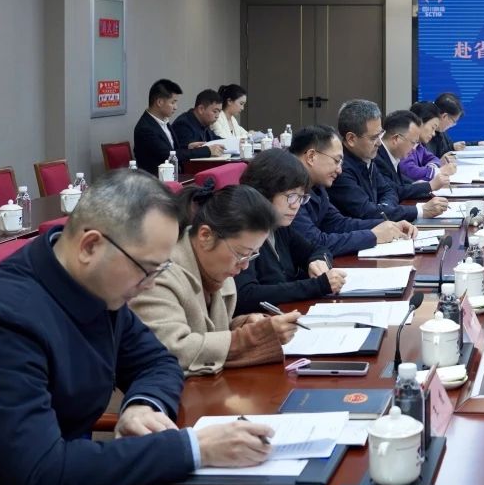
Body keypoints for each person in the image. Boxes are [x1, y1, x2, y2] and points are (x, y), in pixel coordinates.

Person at [0, 170, 275, 485]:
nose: (150, 284)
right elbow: (39, 472)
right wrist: (195, 449)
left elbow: (156, 361)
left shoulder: (95, 284)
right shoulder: (0, 320)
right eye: (147, 269)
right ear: (90, 245)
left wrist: (141, 404)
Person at [130, 181, 299, 376]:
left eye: (252, 255)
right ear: (205, 236)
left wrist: (244, 324)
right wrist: (253, 337)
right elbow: (173, 349)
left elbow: (210, 330)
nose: (245, 265)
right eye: (242, 254)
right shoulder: (158, 274)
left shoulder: (218, 267)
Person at [234, 149, 347, 314]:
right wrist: (316, 285)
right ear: (264, 193)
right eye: (291, 196)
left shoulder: (280, 227)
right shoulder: (242, 231)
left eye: (301, 197)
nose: (296, 205)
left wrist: (317, 261)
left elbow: (318, 249)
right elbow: (245, 295)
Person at [288, 125, 413, 256]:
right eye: (336, 161)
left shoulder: (316, 185)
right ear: (311, 156)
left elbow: (338, 223)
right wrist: (372, 236)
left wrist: (388, 225)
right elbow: (314, 242)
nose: (339, 170)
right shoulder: (287, 188)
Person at [330, 99, 449, 223]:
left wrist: (384, 207)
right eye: (374, 137)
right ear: (351, 139)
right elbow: (367, 212)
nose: (379, 142)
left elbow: (389, 191)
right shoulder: (340, 169)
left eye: (380, 134)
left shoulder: (366, 157)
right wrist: (419, 210)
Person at [378, 109, 449, 201]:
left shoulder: (393, 154)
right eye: (413, 143)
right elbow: (394, 190)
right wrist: (429, 186)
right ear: (396, 139)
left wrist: (417, 184)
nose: (414, 149)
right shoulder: (377, 159)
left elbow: (399, 183)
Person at [133, 77, 183, 172]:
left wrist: (189, 147)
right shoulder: (145, 128)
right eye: (173, 102)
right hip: (156, 178)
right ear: (159, 102)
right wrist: (205, 151)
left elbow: (172, 149)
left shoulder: (163, 121)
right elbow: (168, 155)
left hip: (173, 174)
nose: (176, 107)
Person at [401, 101, 458, 183]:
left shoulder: (418, 145)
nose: (434, 134)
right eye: (432, 127)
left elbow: (434, 159)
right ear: (419, 122)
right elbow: (411, 172)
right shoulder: (405, 144)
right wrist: (439, 171)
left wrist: (431, 168)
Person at [171, 89, 227, 161]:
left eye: (219, 112)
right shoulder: (183, 125)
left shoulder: (204, 122)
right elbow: (186, 154)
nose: (217, 116)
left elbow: (215, 139)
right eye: (215, 111)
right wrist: (208, 150)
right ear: (201, 109)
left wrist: (234, 143)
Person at [427, 92, 465, 157]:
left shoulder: (440, 131)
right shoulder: (426, 133)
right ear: (444, 116)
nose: (452, 125)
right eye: (453, 122)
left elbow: (447, 147)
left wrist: (452, 147)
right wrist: (439, 162)